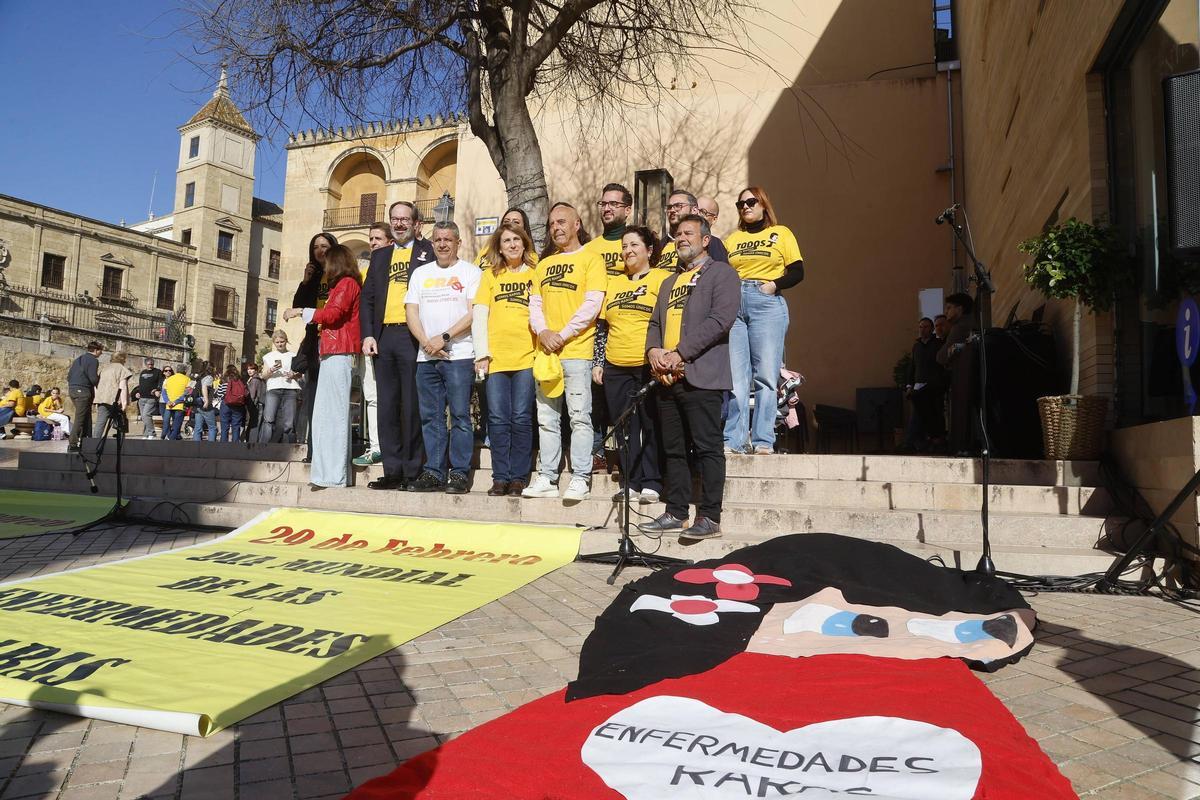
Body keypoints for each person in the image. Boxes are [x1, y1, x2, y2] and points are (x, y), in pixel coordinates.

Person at [639, 215, 740, 540]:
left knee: (708, 447)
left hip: (701, 375)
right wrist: (654, 353)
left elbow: (719, 320)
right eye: (677, 234)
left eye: (688, 233)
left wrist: (679, 354)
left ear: (706, 239)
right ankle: (676, 512)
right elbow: (654, 324)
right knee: (674, 449)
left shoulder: (722, 274)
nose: (681, 238)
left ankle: (710, 517)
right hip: (668, 378)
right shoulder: (669, 282)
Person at [523, 202, 606, 501]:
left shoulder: (591, 259)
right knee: (546, 418)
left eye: (562, 222)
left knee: (580, 417)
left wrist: (563, 333)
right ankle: (547, 477)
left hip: (576, 351)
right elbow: (534, 304)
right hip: (546, 352)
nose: (556, 228)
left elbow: (592, 304)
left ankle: (581, 477)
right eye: (551, 224)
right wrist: (544, 332)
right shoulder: (543, 265)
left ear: (577, 224)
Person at [360, 201, 437, 490]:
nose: (400, 224)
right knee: (387, 406)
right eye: (395, 219)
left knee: (412, 405)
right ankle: (392, 471)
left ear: (416, 224)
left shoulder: (429, 252)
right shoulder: (379, 257)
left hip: (413, 335)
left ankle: (412, 471)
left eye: (405, 219)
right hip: (383, 338)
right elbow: (367, 299)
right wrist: (367, 335)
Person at [723, 186, 804, 455]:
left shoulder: (781, 233)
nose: (745, 206)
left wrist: (772, 286)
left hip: (765, 302)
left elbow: (797, 271)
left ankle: (762, 440)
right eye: (740, 204)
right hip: (735, 303)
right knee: (736, 378)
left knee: (766, 376)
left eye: (750, 201)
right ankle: (733, 440)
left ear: (763, 204)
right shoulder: (732, 239)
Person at [592, 226, 670, 504]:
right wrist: (598, 362)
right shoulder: (614, 282)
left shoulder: (663, 279)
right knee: (624, 428)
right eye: (624, 246)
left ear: (649, 250)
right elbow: (602, 327)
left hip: (646, 364)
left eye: (634, 245)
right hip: (615, 364)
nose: (628, 251)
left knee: (649, 424)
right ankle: (631, 481)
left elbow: (669, 320)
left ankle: (652, 482)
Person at [403, 222, 482, 493]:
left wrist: (443, 338)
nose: (442, 244)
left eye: (448, 239)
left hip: (458, 355)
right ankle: (434, 472)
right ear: (432, 242)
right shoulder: (420, 274)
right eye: (438, 239)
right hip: (426, 357)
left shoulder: (471, 272)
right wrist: (427, 342)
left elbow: (474, 313)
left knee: (460, 415)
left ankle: (459, 473)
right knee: (431, 416)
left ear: (458, 242)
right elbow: (411, 311)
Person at [284, 243, 362, 488]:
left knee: (334, 416)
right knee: (325, 416)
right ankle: (326, 473)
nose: (325, 269)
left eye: (328, 264)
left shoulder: (346, 284)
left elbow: (333, 315)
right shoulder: (342, 285)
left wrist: (300, 311)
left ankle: (333, 476)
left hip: (340, 351)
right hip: (332, 351)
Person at [474, 223, 538, 496]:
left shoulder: (535, 274)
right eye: (506, 241)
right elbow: (479, 315)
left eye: (516, 240)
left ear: (524, 244)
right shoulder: (490, 276)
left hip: (526, 358)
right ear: (499, 247)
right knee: (498, 419)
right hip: (496, 359)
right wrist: (482, 354)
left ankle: (518, 478)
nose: (512, 244)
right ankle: (500, 477)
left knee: (521, 418)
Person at [353, 221, 394, 467]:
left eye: (378, 238)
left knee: (389, 397)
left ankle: (388, 446)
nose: (372, 243)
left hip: (391, 340)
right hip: (368, 342)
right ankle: (376, 446)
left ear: (390, 242)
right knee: (371, 395)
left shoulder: (397, 267)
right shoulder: (364, 271)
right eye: (371, 238)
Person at [294, 232, 338, 456]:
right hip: (315, 341)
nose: (320, 250)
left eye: (325, 246)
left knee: (332, 397)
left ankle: (329, 449)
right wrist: (305, 282)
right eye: (316, 247)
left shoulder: (341, 275)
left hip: (335, 341)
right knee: (312, 395)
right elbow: (298, 307)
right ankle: (312, 448)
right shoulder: (313, 277)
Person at [938, 292, 976, 456]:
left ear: (959, 309)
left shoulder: (960, 327)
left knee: (961, 415)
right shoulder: (971, 324)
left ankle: (961, 447)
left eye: (949, 308)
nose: (946, 312)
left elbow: (941, 356)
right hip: (969, 376)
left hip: (963, 377)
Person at [902, 317, 947, 453]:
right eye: (920, 327)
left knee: (934, 413)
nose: (922, 330)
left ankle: (930, 442)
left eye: (926, 327)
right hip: (918, 387)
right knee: (918, 414)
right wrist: (909, 386)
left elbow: (942, 367)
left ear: (932, 329)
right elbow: (913, 367)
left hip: (933, 387)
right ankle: (915, 443)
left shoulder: (938, 344)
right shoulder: (916, 346)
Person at [656, 189, 729, 270]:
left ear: (694, 210)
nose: (672, 210)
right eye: (669, 207)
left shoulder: (710, 242)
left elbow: (722, 274)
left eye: (678, 205)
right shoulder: (660, 245)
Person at [260, 330, 302, 443]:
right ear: (274, 342)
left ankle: (290, 450)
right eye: (277, 342)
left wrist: (293, 375)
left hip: (290, 389)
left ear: (286, 341)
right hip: (273, 388)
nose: (280, 344)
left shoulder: (293, 355)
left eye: (282, 341)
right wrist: (270, 370)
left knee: (289, 422)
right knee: (269, 419)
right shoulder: (268, 356)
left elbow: (300, 375)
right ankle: (264, 447)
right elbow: (263, 375)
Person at [66, 340, 103, 451]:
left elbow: (69, 376)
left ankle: (86, 440)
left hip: (73, 390)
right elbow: (93, 378)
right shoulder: (93, 360)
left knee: (86, 416)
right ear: (96, 350)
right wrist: (100, 383)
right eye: (100, 351)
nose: (101, 354)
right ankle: (73, 444)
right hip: (83, 391)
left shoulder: (79, 359)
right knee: (80, 418)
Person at [93, 351, 132, 439]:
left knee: (100, 422)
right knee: (120, 422)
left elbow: (96, 385)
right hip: (116, 400)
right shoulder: (122, 369)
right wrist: (124, 403)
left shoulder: (104, 369)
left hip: (102, 399)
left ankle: (94, 441)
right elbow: (123, 387)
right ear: (122, 359)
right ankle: (121, 442)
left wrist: (97, 399)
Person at [218, 364, 248, 442]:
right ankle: (235, 447)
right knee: (236, 427)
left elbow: (219, 394)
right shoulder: (240, 381)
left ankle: (223, 447)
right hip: (238, 405)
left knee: (224, 427)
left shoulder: (224, 381)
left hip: (226, 404)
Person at [134, 358, 163, 439]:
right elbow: (140, 384)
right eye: (149, 364)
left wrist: (157, 390)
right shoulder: (143, 372)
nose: (150, 366)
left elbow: (161, 382)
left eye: (152, 364)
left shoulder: (157, 372)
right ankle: (146, 434)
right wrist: (137, 392)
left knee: (146, 415)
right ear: (145, 364)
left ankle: (152, 433)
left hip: (151, 398)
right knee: (144, 417)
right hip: (142, 398)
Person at [161, 365, 191, 440]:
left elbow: (164, 392)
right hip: (180, 406)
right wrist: (177, 401)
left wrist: (168, 401)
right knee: (176, 425)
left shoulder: (168, 379)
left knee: (167, 422)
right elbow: (188, 393)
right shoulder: (187, 379)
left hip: (169, 406)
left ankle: (168, 436)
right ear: (185, 371)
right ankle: (171, 440)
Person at [191, 363, 218, 441]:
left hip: (197, 404)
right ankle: (210, 448)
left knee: (198, 427)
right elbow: (204, 387)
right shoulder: (209, 377)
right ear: (211, 368)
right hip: (205, 405)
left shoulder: (199, 377)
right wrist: (206, 400)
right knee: (212, 427)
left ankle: (196, 447)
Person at [244, 362, 265, 443]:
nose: (249, 371)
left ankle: (251, 443)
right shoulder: (257, 379)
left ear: (256, 370)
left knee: (254, 424)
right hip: (259, 405)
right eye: (248, 369)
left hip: (256, 405)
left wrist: (248, 406)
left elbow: (252, 395)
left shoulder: (255, 380)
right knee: (255, 423)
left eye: (251, 369)